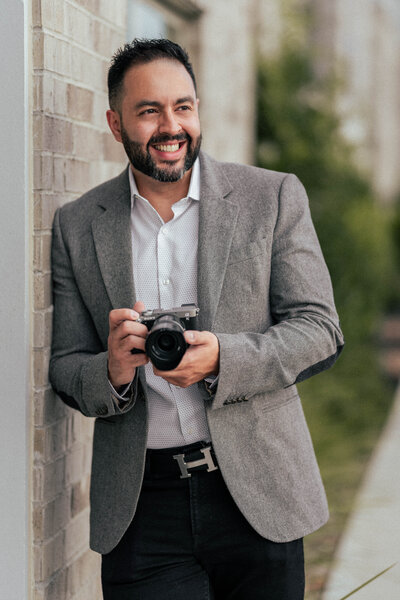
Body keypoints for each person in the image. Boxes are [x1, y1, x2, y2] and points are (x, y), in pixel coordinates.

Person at [49, 38, 344, 600]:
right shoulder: (77, 225)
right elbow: (65, 366)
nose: (171, 126)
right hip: (142, 507)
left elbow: (319, 327)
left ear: (198, 109)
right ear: (115, 124)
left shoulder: (272, 197)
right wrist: (112, 369)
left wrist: (225, 359)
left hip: (259, 493)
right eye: (149, 110)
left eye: (183, 106)